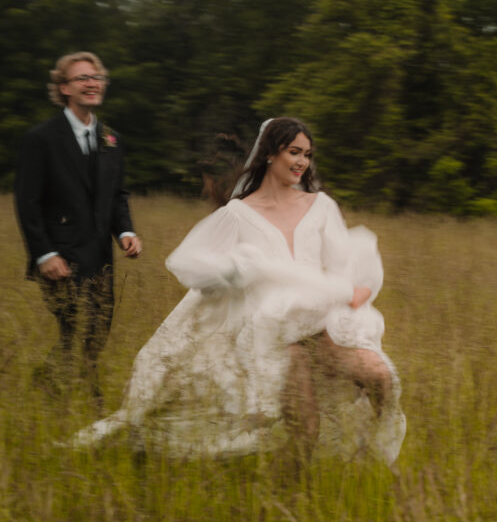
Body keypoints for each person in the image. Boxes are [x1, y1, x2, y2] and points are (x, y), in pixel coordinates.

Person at [69, 117, 405, 466]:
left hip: (320, 320)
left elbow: (341, 262)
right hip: (274, 333)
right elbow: (189, 263)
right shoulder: (238, 214)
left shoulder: (320, 206)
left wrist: (356, 286)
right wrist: (239, 271)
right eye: (294, 152)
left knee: (380, 377)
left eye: (306, 154)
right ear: (270, 155)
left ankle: (375, 452)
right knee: (306, 427)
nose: (302, 162)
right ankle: (285, 499)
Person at [15, 51, 142, 402]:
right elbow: (27, 203)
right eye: (82, 78)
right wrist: (44, 254)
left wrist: (126, 232)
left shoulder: (112, 140)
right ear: (64, 88)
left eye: (96, 77)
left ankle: (47, 386)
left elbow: (117, 195)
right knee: (76, 330)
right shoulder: (40, 139)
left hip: (100, 256)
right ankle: (93, 405)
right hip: (59, 257)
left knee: (97, 333)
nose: (91, 83)